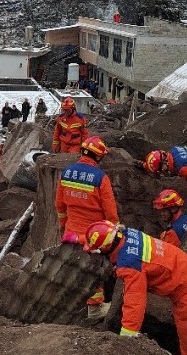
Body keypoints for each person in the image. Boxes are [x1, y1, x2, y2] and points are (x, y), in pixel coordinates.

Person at [84, 221, 187, 354]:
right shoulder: (128, 234)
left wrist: (126, 338)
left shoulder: (129, 265)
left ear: (105, 250)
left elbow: (134, 302)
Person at [56, 136, 118, 320]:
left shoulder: (66, 173)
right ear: (98, 157)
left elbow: (60, 206)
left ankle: (71, 304)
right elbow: (111, 212)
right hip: (94, 235)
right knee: (93, 272)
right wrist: (114, 233)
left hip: (70, 232)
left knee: (73, 267)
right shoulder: (100, 178)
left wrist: (64, 226)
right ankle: (95, 310)